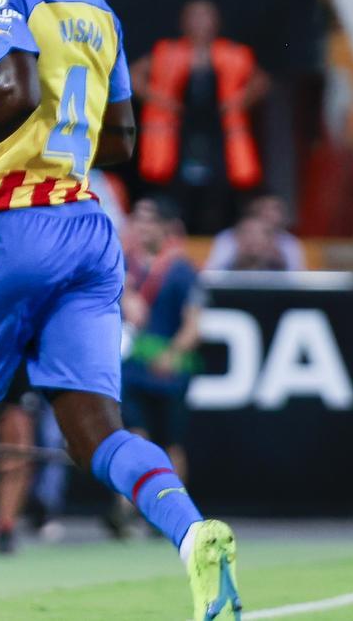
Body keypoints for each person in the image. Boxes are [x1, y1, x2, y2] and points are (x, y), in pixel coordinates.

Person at [0, 0, 240, 620]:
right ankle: (192, 529)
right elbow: (121, 138)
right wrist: (1, 138)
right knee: (97, 434)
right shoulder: (97, 9)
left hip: (4, 230)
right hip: (84, 225)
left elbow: (16, 87)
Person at [131, 0, 270, 235]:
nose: (200, 23)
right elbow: (134, 75)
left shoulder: (231, 54)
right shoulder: (168, 53)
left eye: (205, 17)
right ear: (183, 22)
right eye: (194, 17)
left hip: (219, 135)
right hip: (178, 136)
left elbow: (261, 81)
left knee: (219, 193)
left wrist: (238, 101)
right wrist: (161, 101)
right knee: (175, 194)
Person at [116, 197, 203, 534]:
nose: (143, 228)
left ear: (166, 227)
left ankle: (171, 514)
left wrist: (172, 353)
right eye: (138, 221)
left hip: (168, 371)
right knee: (132, 437)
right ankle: (127, 509)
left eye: (150, 221)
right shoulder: (123, 265)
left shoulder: (181, 269)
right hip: (131, 368)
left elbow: (193, 324)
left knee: (171, 444)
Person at [206, 194, 303, 271]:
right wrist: (239, 257)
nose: (271, 215)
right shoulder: (228, 237)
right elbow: (211, 275)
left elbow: (298, 279)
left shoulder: (289, 242)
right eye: (265, 209)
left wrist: (278, 260)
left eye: (276, 209)